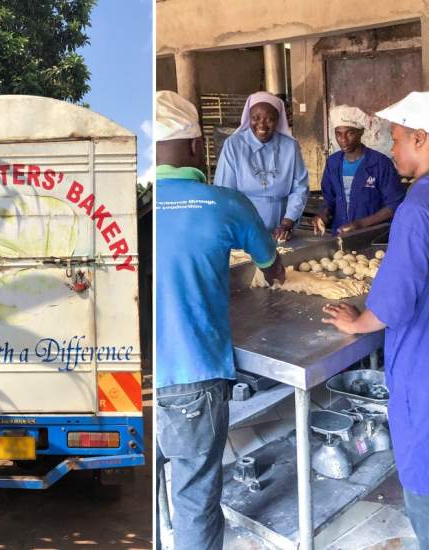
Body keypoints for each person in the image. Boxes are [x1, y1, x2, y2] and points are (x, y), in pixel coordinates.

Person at [155, 90, 285, 550]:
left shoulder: (130, 209)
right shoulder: (225, 203)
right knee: (194, 500)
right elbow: (272, 267)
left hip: (128, 380)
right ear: (196, 146)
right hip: (191, 377)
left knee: (154, 490)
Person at [322, 91, 429, 549]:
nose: (394, 148)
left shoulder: (416, 209)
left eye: (400, 138)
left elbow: (394, 302)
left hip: (423, 368)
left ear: (422, 139)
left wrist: (360, 320)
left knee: (423, 485)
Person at [214, 91, 309, 241]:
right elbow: (225, 192)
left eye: (269, 119)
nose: (262, 124)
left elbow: (300, 187)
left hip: (282, 230)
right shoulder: (234, 145)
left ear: (278, 120)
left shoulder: (290, 146)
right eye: (255, 118)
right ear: (248, 118)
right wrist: (240, 228)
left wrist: (286, 223)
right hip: (243, 229)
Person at [313, 105, 405, 235]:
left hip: (371, 236)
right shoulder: (333, 163)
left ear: (360, 132)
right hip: (339, 235)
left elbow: (395, 204)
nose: (343, 140)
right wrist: (322, 215)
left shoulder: (380, 163)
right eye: (338, 134)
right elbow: (329, 199)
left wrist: (361, 224)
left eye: (350, 133)